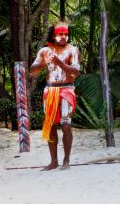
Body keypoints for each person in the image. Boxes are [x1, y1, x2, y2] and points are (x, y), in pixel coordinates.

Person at [30, 21, 81, 170]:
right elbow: (33, 70)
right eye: (60, 34)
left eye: (66, 34)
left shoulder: (73, 50)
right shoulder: (45, 51)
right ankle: (53, 161)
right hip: (50, 90)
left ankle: (66, 161)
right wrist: (43, 63)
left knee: (66, 124)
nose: (64, 37)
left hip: (66, 89)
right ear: (54, 35)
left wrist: (60, 63)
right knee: (51, 124)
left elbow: (76, 72)